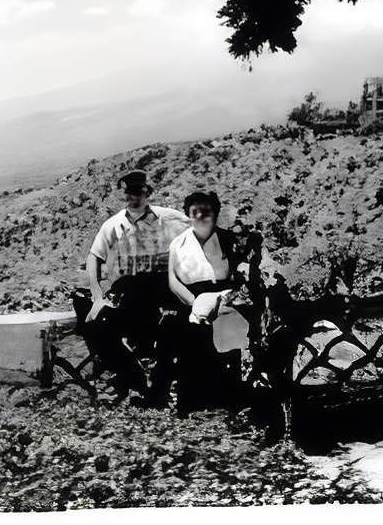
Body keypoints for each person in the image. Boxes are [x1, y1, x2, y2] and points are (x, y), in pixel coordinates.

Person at [72, 169, 189, 400]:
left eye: (138, 191)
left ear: (148, 193)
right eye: (129, 192)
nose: (133, 197)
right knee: (97, 325)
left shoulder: (172, 219)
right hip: (131, 296)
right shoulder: (114, 224)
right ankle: (131, 377)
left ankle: (166, 382)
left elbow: (200, 239)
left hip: (165, 293)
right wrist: (97, 296)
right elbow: (94, 257)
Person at [150, 190, 252, 413]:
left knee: (231, 334)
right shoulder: (178, 244)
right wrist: (194, 302)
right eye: (195, 212)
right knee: (181, 334)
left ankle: (232, 399)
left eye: (206, 211)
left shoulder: (228, 240)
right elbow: (173, 281)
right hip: (189, 299)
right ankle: (185, 402)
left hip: (225, 298)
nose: (201, 216)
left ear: (215, 213)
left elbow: (240, 274)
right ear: (188, 215)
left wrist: (224, 299)